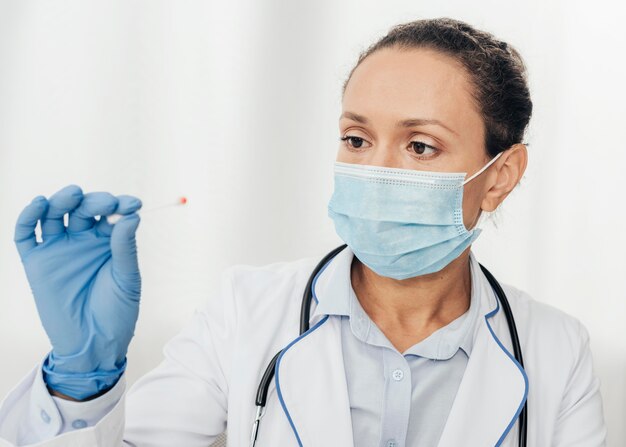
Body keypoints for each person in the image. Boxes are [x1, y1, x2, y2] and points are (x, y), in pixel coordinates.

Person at [0, 17, 606, 447]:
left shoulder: (556, 351)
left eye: (420, 146)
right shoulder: (247, 311)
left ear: (500, 177)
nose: (375, 170)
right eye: (357, 139)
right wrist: (82, 378)